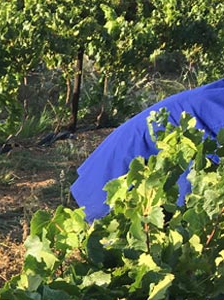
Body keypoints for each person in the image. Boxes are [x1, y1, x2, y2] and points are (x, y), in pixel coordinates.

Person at [70, 78, 224, 222]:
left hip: (138, 155)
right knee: (120, 233)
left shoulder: (214, 98)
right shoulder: (215, 105)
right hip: (123, 168)